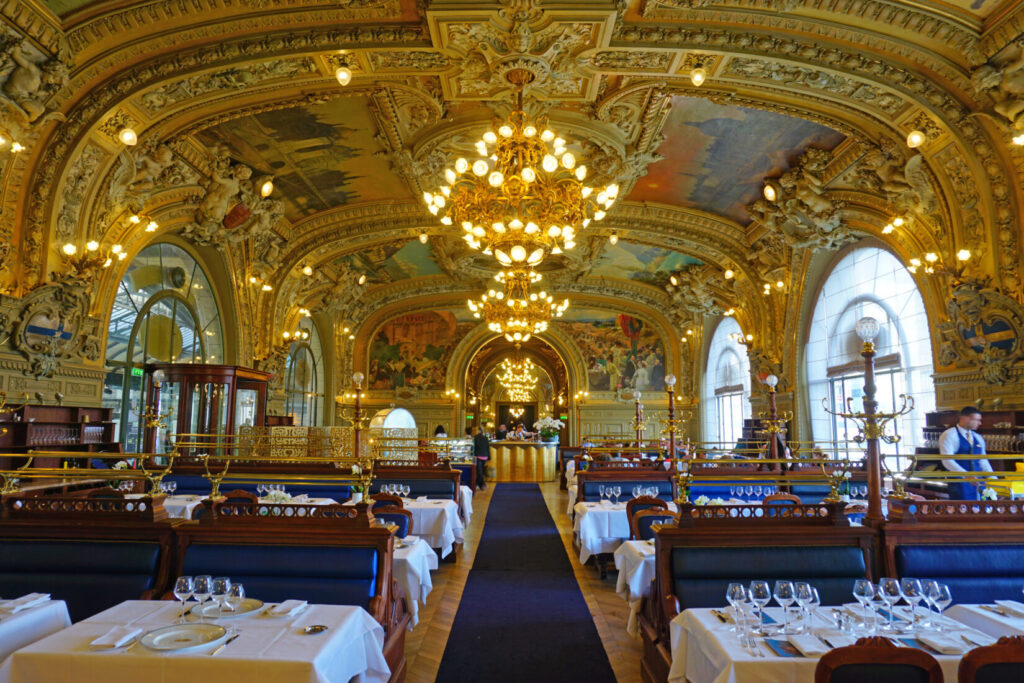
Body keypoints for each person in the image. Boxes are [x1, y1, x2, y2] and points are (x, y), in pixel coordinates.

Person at [939, 406, 993, 500]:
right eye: (976, 420)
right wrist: (966, 476)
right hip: (959, 484)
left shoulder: (978, 437)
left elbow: (983, 461)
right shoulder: (949, 435)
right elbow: (947, 461)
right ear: (964, 418)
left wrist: (993, 481)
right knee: (964, 512)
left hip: (979, 484)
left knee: (984, 510)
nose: (979, 423)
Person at [471, 425, 489, 490]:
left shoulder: (475, 438)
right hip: (485, 456)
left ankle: (482, 485)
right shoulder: (485, 437)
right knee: (480, 471)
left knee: (479, 471)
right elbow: (487, 447)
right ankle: (477, 484)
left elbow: (474, 448)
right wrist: (489, 457)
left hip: (478, 456)